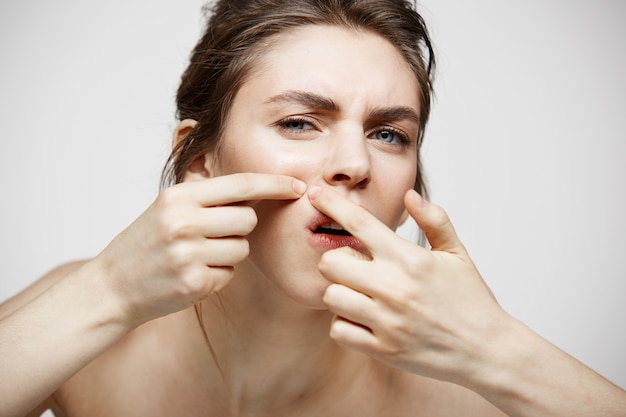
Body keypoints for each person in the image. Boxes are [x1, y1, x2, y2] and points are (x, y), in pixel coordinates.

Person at [0, 0, 624, 416]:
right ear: (199, 159)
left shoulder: (455, 394)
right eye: (300, 122)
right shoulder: (79, 322)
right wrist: (106, 289)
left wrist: (497, 348)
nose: (354, 164)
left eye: (389, 134)